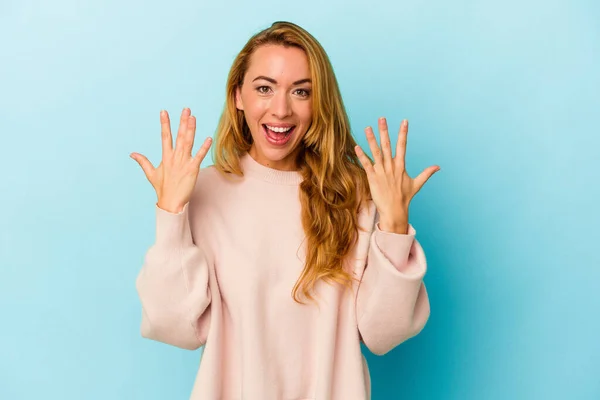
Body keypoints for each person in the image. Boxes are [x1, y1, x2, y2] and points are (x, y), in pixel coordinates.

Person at [131, 20, 439, 400]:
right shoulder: (205, 191)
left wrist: (393, 225)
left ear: (319, 102)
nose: (281, 109)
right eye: (264, 88)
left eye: (301, 91)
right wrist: (171, 212)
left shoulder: (356, 193)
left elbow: (382, 334)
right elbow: (173, 326)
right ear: (238, 96)